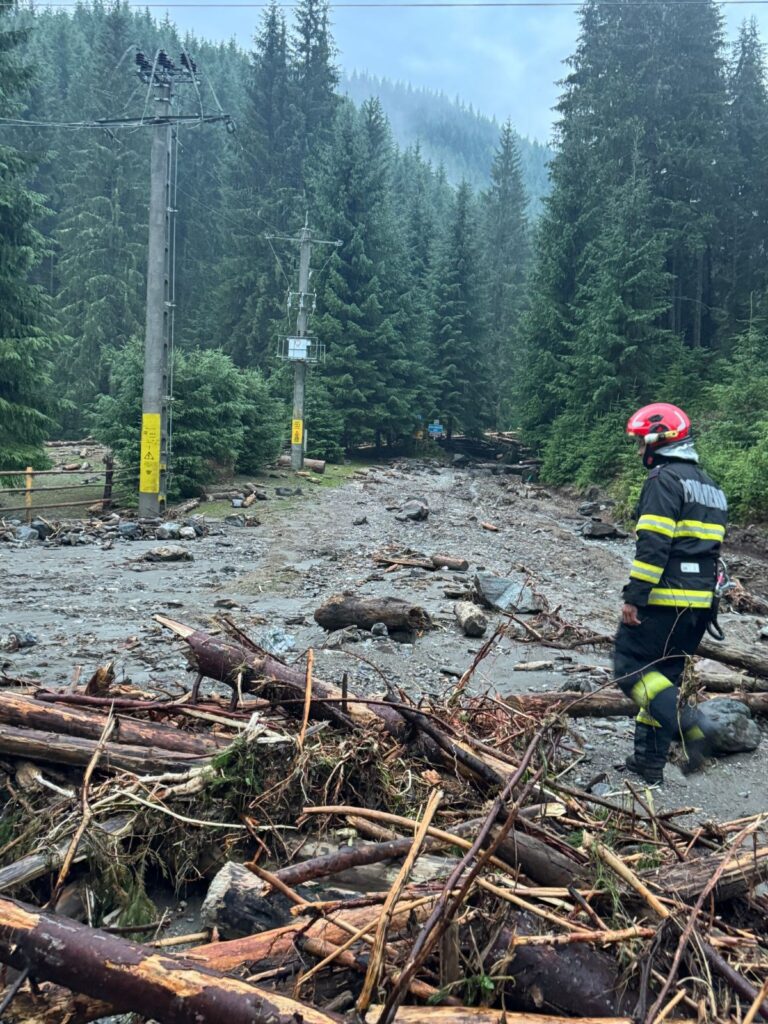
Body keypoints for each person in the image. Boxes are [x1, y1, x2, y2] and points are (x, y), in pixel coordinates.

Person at [614, 402, 728, 784]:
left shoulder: (664, 480)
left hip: (665, 601)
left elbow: (654, 546)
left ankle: (692, 725)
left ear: (657, 441)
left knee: (631, 670)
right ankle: (649, 763)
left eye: (639, 443)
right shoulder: (711, 487)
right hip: (698, 606)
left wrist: (635, 596)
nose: (638, 451)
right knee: (662, 679)